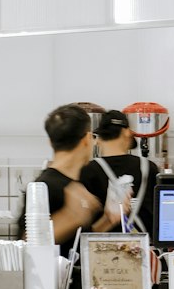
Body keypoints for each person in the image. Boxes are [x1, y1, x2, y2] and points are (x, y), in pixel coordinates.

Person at [19, 103, 121, 253]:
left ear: (50, 141)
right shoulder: (43, 188)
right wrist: (70, 217)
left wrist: (108, 219)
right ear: (87, 139)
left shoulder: (78, 184)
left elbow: (77, 244)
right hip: (54, 277)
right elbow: (26, 246)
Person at [80, 109, 160, 235]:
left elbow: (83, 223)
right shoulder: (149, 168)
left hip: (100, 249)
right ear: (127, 133)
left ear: (98, 139)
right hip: (144, 249)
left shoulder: (87, 171)